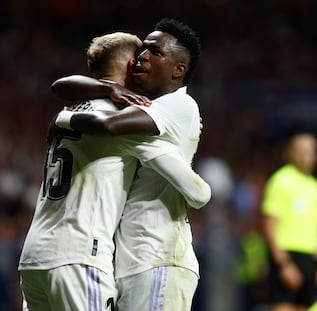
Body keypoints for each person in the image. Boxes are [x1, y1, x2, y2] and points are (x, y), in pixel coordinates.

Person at [18, 30, 211, 311]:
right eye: (139, 58)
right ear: (128, 68)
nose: (143, 61)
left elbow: (60, 86)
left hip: (34, 257)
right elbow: (199, 191)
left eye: (152, 54)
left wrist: (62, 117)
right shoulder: (121, 121)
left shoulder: (74, 108)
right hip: (80, 256)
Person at [261, 131, 317, 311]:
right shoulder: (281, 181)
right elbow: (269, 225)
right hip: (287, 255)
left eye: (310, 151)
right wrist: (283, 264)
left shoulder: (316, 188)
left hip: (310, 259)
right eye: (301, 150)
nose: (306, 155)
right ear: (290, 153)